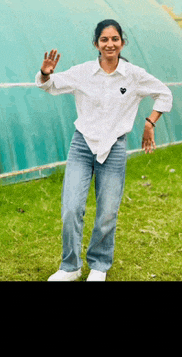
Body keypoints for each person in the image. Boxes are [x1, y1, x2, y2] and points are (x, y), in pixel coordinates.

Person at [35, 19, 173, 281]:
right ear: (96, 44)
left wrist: (149, 122)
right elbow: (49, 86)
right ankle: (70, 267)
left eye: (114, 39)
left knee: (108, 210)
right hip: (82, 145)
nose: (110, 44)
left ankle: (98, 266)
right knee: (71, 207)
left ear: (122, 42)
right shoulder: (83, 72)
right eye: (104, 39)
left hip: (115, 148)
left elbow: (164, 94)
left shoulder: (134, 75)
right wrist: (45, 73)